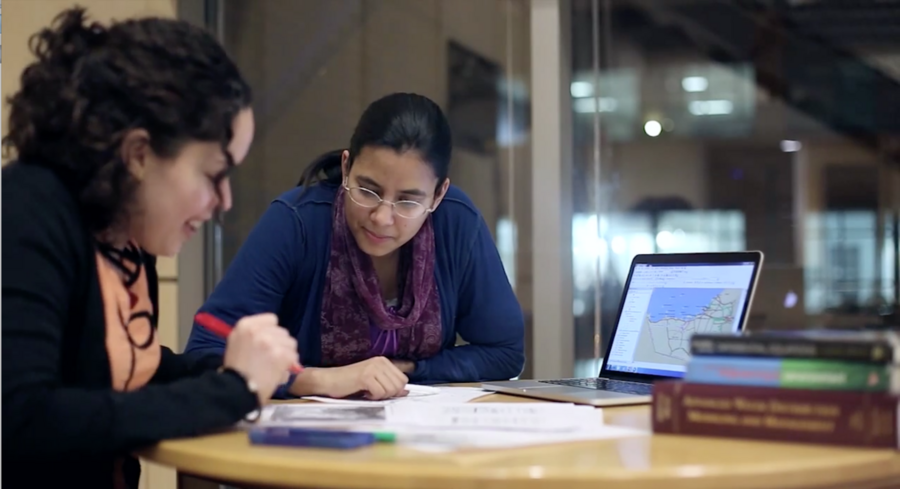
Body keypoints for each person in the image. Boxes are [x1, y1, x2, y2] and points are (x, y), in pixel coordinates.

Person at [1, 8, 299, 489]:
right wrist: (231, 389)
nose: (224, 201)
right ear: (139, 155)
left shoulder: (123, 234)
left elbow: (121, 368)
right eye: (213, 175)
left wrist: (244, 371)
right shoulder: (25, 212)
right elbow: (21, 418)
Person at [185, 92, 525, 400]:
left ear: (438, 194)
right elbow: (206, 351)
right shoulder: (297, 223)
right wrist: (316, 380)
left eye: (408, 201)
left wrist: (405, 371)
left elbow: (504, 351)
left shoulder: (455, 222)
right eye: (368, 190)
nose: (381, 217)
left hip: (419, 442)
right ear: (347, 167)